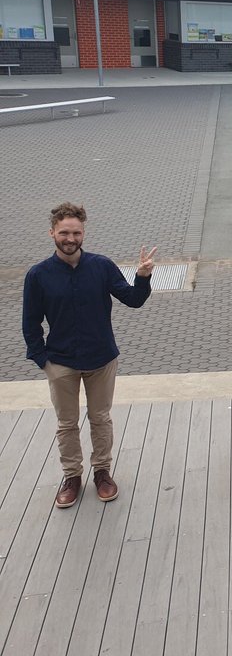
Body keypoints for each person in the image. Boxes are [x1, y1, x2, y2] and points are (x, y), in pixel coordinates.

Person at [22, 202, 157, 509]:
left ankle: (102, 473)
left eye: (76, 232)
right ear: (52, 233)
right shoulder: (38, 275)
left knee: (100, 418)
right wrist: (43, 360)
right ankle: (72, 477)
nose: (70, 238)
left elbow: (133, 300)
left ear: (84, 233)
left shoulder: (101, 266)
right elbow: (30, 323)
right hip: (61, 363)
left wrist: (143, 276)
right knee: (67, 423)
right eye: (64, 233)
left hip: (101, 359)